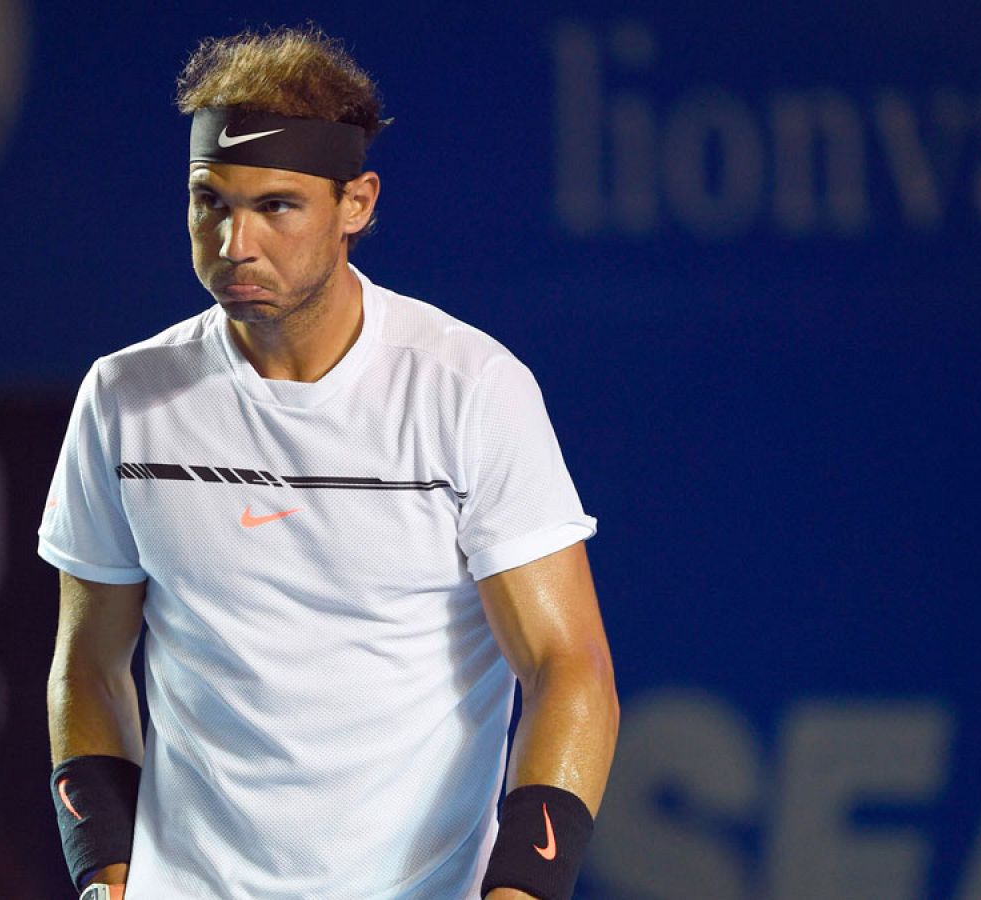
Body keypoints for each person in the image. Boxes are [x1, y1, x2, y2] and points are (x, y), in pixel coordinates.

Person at [40, 25, 618, 900]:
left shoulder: (470, 390)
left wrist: (521, 894)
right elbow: (88, 664)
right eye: (210, 201)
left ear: (357, 203)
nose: (234, 241)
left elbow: (568, 667)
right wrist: (106, 878)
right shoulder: (124, 398)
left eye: (276, 206)